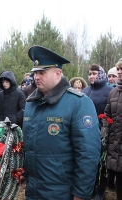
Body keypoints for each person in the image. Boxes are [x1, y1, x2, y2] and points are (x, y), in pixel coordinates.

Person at [22, 45, 101, 199]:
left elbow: (88, 154)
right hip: (33, 190)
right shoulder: (31, 103)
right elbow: (29, 146)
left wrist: (81, 193)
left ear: (58, 73)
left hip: (61, 192)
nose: (36, 77)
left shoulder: (78, 103)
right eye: (35, 73)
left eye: (42, 72)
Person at [82, 64, 113, 199]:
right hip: (85, 133)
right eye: (89, 73)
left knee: (102, 163)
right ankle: (90, 188)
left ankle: (101, 190)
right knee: (88, 162)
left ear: (101, 74)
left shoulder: (109, 91)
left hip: (103, 132)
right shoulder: (85, 91)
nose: (91, 76)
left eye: (94, 73)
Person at [103, 60, 122, 199]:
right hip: (115, 143)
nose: (120, 72)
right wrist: (104, 135)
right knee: (119, 182)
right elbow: (107, 115)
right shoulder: (113, 92)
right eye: (118, 69)